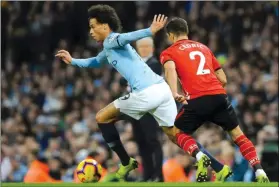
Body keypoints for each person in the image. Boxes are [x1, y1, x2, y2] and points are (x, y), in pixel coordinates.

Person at [56, 4, 176, 181]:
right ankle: (208, 161)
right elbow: (95, 62)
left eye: (93, 26)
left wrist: (149, 31)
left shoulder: (112, 40)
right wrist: (73, 61)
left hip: (147, 94)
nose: (90, 31)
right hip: (148, 94)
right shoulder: (108, 48)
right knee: (173, 135)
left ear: (105, 26)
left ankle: (130, 163)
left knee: (104, 119)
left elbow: (127, 37)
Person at [159, 17, 270, 183]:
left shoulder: (169, 52)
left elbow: (169, 69)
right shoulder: (204, 48)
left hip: (197, 99)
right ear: (186, 32)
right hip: (219, 96)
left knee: (176, 133)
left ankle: (199, 155)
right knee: (238, 135)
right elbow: (223, 79)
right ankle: (260, 171)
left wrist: (175, 91)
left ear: (171, 36)